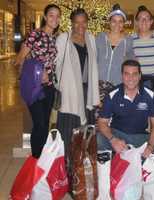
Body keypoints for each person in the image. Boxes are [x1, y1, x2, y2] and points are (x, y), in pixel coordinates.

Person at [14, 4, 61, 158]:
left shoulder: (54, 38)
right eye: (51, 15)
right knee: (39, 124)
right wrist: (38, 71)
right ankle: (35, 160)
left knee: (44, 125)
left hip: (49, 88)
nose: (55, 18)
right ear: (45, 17)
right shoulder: (36, 35)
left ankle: (41, 160)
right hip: (35, 88)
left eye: (57, 16)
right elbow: (20, 58)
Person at [97, 59, 154, 158]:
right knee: (98, 140)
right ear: (122, 75)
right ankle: (115, 159)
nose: (131, 78)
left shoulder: (150, 95)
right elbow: (102, 122)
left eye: (134, 74)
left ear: (140, 76)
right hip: (117, 134)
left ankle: (134, 158)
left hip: (141, 136)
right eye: (127, 74)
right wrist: (113, 140)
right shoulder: (112, 94)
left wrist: (150, 147)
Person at [56, 8, 100, 156]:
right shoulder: (64, 38)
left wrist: (95, 93)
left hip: (86, 91)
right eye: (77, 22)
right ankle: (67, 163)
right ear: (72, 23)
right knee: (69, 131)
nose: (80, 26)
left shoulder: (91, 39)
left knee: (85, 132)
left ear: (87, 23)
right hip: (69, 92)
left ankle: (82, 164)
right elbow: (56, 64)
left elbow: (94, 66)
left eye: (83, 22)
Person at [132, 5, 154, 113]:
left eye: (147, 18)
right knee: (142, 113)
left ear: (151, 21)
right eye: (141, 18)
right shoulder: (131, 39)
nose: (144, 21)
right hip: (141, 81)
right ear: (136, 22)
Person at [96, 4, 134, 87]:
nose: (117, 24)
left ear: (124, 23)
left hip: (118, 85)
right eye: (114, 21)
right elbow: (93, 61)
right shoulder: (100, 38)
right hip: (98, 84)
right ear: (109, 22)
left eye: (120, 21)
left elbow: (131, 63)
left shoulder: (128, 40)